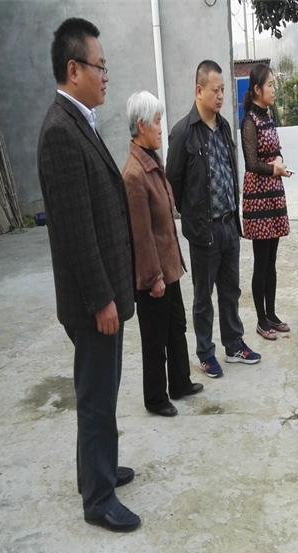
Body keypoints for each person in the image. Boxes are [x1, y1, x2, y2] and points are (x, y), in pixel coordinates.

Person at [37, 18, 140, 533]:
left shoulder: (81, 121)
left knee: (105, 388)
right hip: (92, 301)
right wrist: (102, 299)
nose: (106, 75)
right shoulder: (60, 132)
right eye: (99, 66)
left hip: (108, 293)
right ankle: (98, 498)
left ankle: (101, 468)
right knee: (96, 397)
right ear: (73, 69)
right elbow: (76, 233)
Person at [166, 60, 261, 378]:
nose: (221, 96)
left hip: (229, 225)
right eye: (215, 90)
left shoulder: (224, 127)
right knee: (203, 297)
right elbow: (173, 184)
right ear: (199, 90)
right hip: (203, 231)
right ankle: (206, 353)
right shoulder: (183, 133)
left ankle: (233, 344)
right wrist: (193, 218)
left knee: (230, 291)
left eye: (223, 90)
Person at [122, 91, 203, 417]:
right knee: (155, 338)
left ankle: (179, 382)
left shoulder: (152, 161)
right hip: (153, 272)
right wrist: (153, 277)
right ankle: (155, 398)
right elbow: (141, 236)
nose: (160, 127)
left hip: (169, 266)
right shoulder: (134, 174)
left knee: (176, 326)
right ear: (141, 125)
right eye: (156, 121)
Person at [240, 64, 291, 340]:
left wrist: (280, 160)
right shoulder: (249, 121)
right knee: (261, 262)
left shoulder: (268, 116)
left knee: (271, 260)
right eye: (269, 85)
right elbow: (251, 163)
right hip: (258, 198)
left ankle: (271, 314)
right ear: (257, 89)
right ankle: (261, 320)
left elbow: (276, 148)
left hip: (273, 194)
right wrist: (275, 169)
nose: (273, 89)